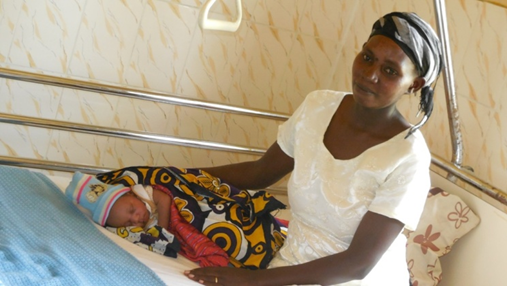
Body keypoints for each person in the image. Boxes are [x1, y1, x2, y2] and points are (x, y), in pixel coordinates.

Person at [184, 11, 443, 285]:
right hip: (290, 263)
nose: (370, 75)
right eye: (367, 58)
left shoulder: (407, 157)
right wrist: (174, 175)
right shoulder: (317, 107)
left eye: (390, 71)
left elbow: (358, 264)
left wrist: (252, 280)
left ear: (414, 84)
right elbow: (260, 173)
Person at [65, 171, 171, 230]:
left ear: (131, 194)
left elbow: (165, 200)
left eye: (132, 210)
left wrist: (163, 231)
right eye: (128, 223)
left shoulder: (143, 192)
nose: (135, 219)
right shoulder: (142, 231)